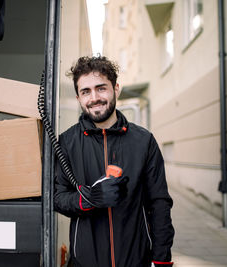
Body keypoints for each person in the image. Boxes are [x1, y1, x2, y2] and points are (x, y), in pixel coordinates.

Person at [54, 55, 174, 267]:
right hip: (85, 262)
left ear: (116, 89)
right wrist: (89, 199)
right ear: (78, 98)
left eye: (101, 88)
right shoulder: (66, 143)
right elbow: (56, 197)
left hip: (136, 260)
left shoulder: (144, 141)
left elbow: (159, 203)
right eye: (86, 91)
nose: (94, 98)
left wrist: (161, 259)